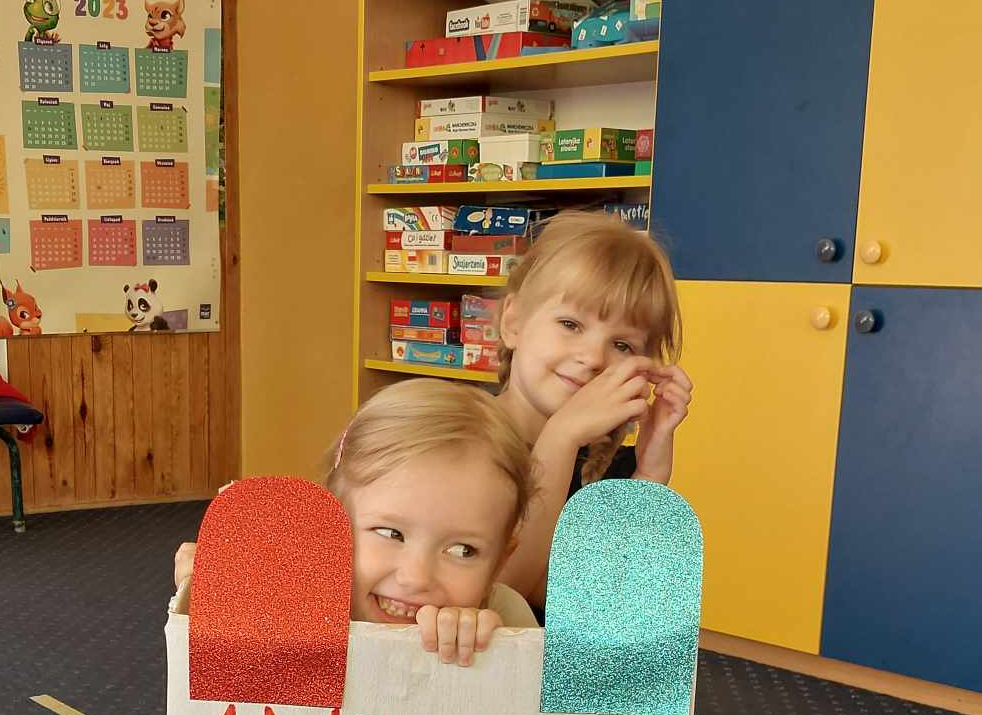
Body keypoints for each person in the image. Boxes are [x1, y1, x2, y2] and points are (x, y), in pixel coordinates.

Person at [173, 379, 537, 666]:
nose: (416, 577)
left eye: (462, 550)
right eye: (391, 533)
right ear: (330, 522)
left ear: (499, 562)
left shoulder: (504, 615)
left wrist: (494, 651)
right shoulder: (292, 590)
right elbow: (211, 669)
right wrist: (208, 583)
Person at [494, 210, 693, 606]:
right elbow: (502, 599)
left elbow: (603, 608)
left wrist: (649, 475)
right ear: (513, 322)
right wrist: (561, 436)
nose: (594, 358)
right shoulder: (456, 442)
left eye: (622, 346)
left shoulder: (611, 473)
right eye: (570, 324)